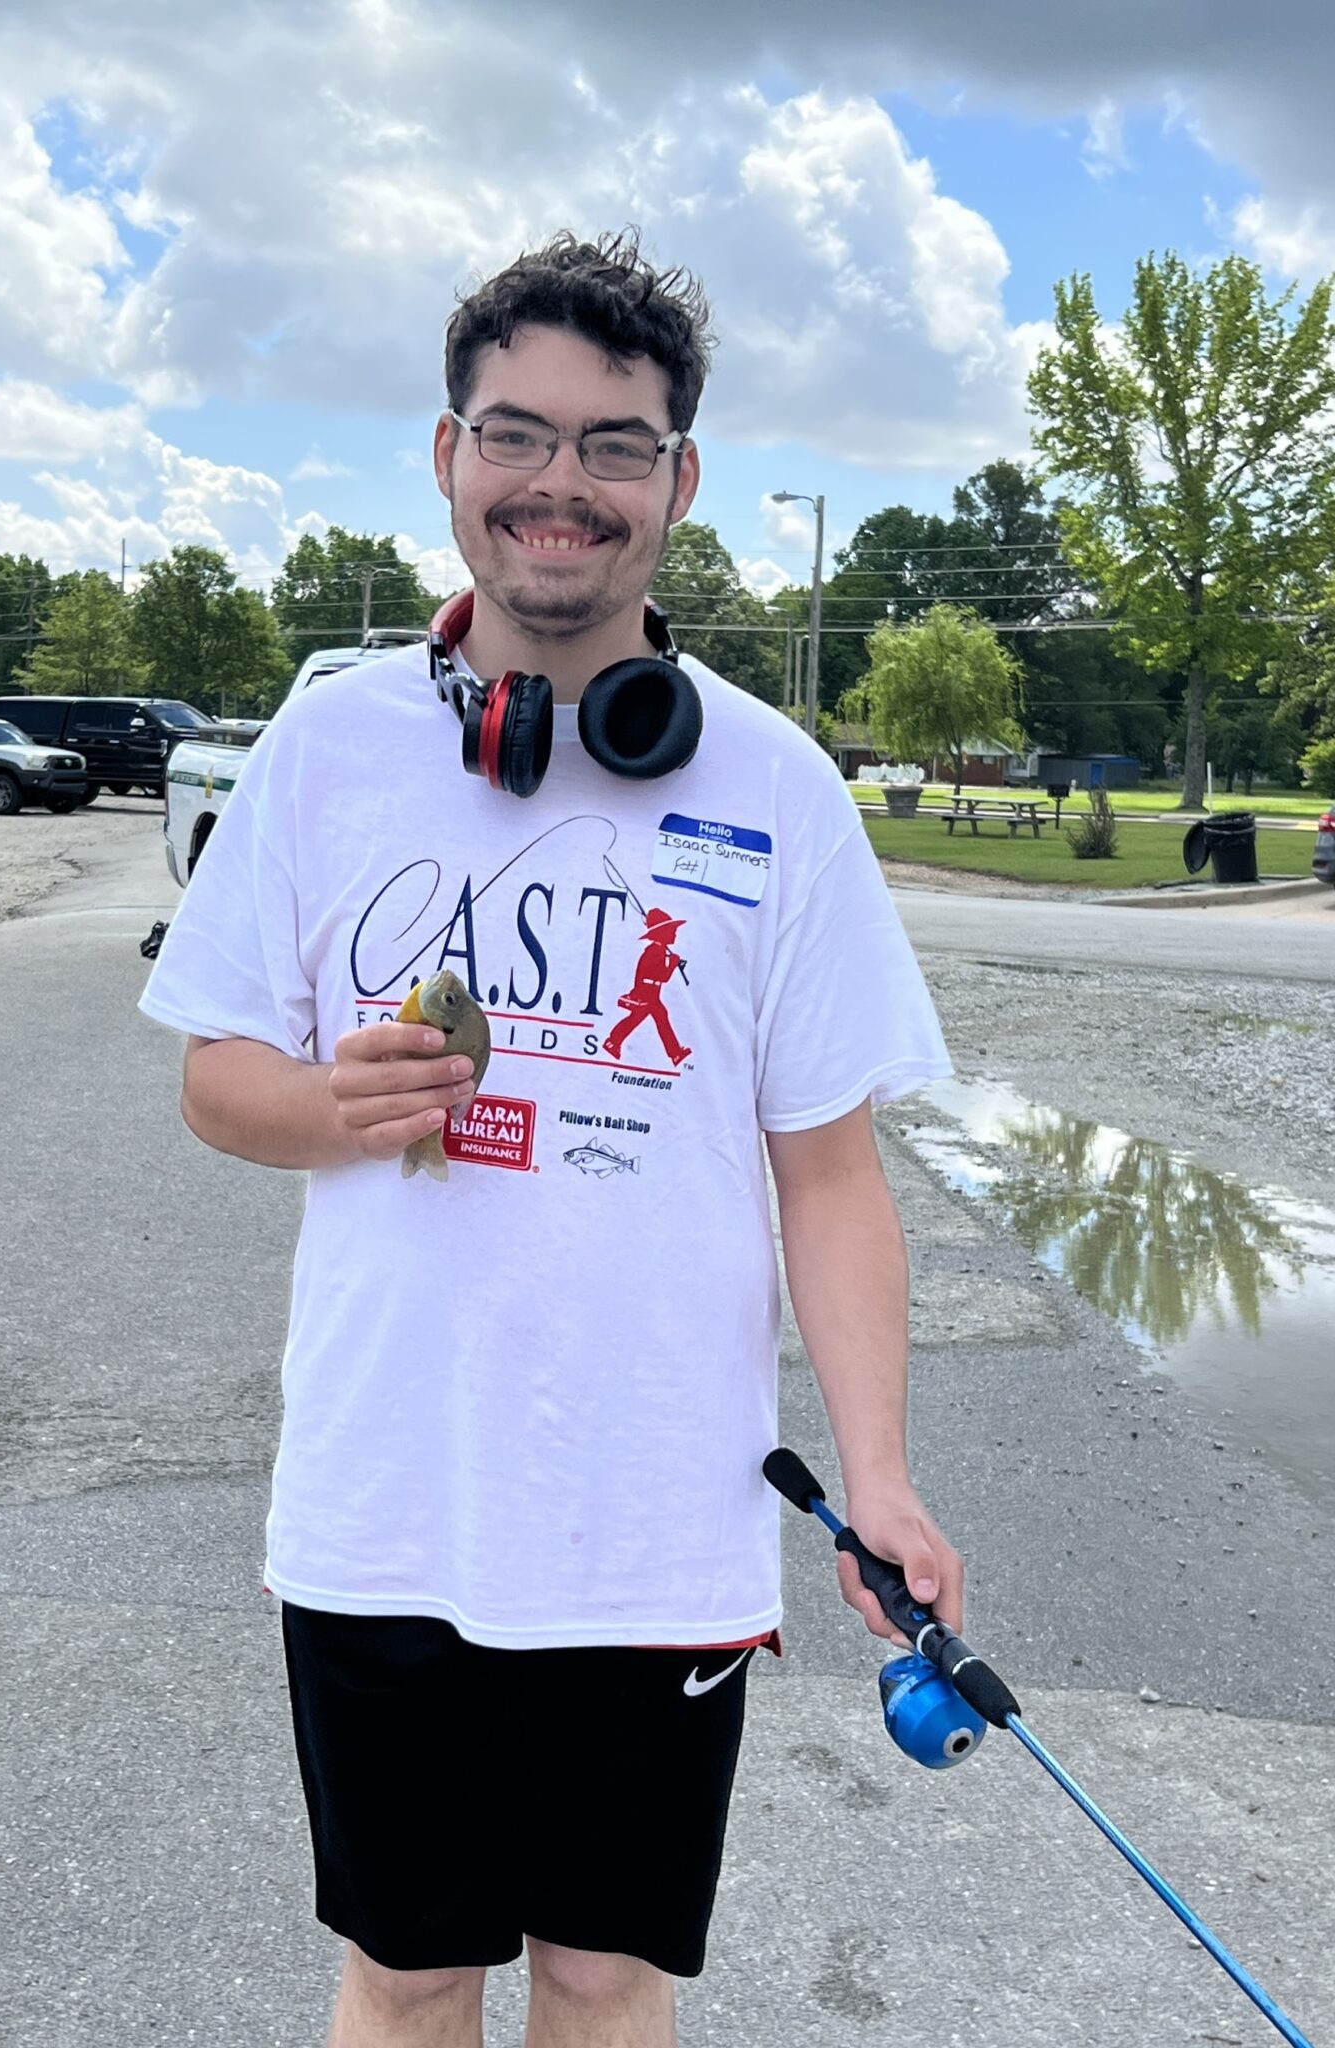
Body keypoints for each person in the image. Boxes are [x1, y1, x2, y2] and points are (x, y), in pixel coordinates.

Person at [139, 228, 963, 2048]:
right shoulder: (328, 746)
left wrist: (879, 1472)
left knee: (604, 1976)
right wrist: (332, 1104)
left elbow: (828, 1172)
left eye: (612, 444)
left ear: (677, 481)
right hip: (385, 1502)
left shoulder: (776, 789)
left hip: (656, 1519)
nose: (558, 487)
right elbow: (215, 1081)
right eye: (517, 435)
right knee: (410, 1970)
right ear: (450, 459)